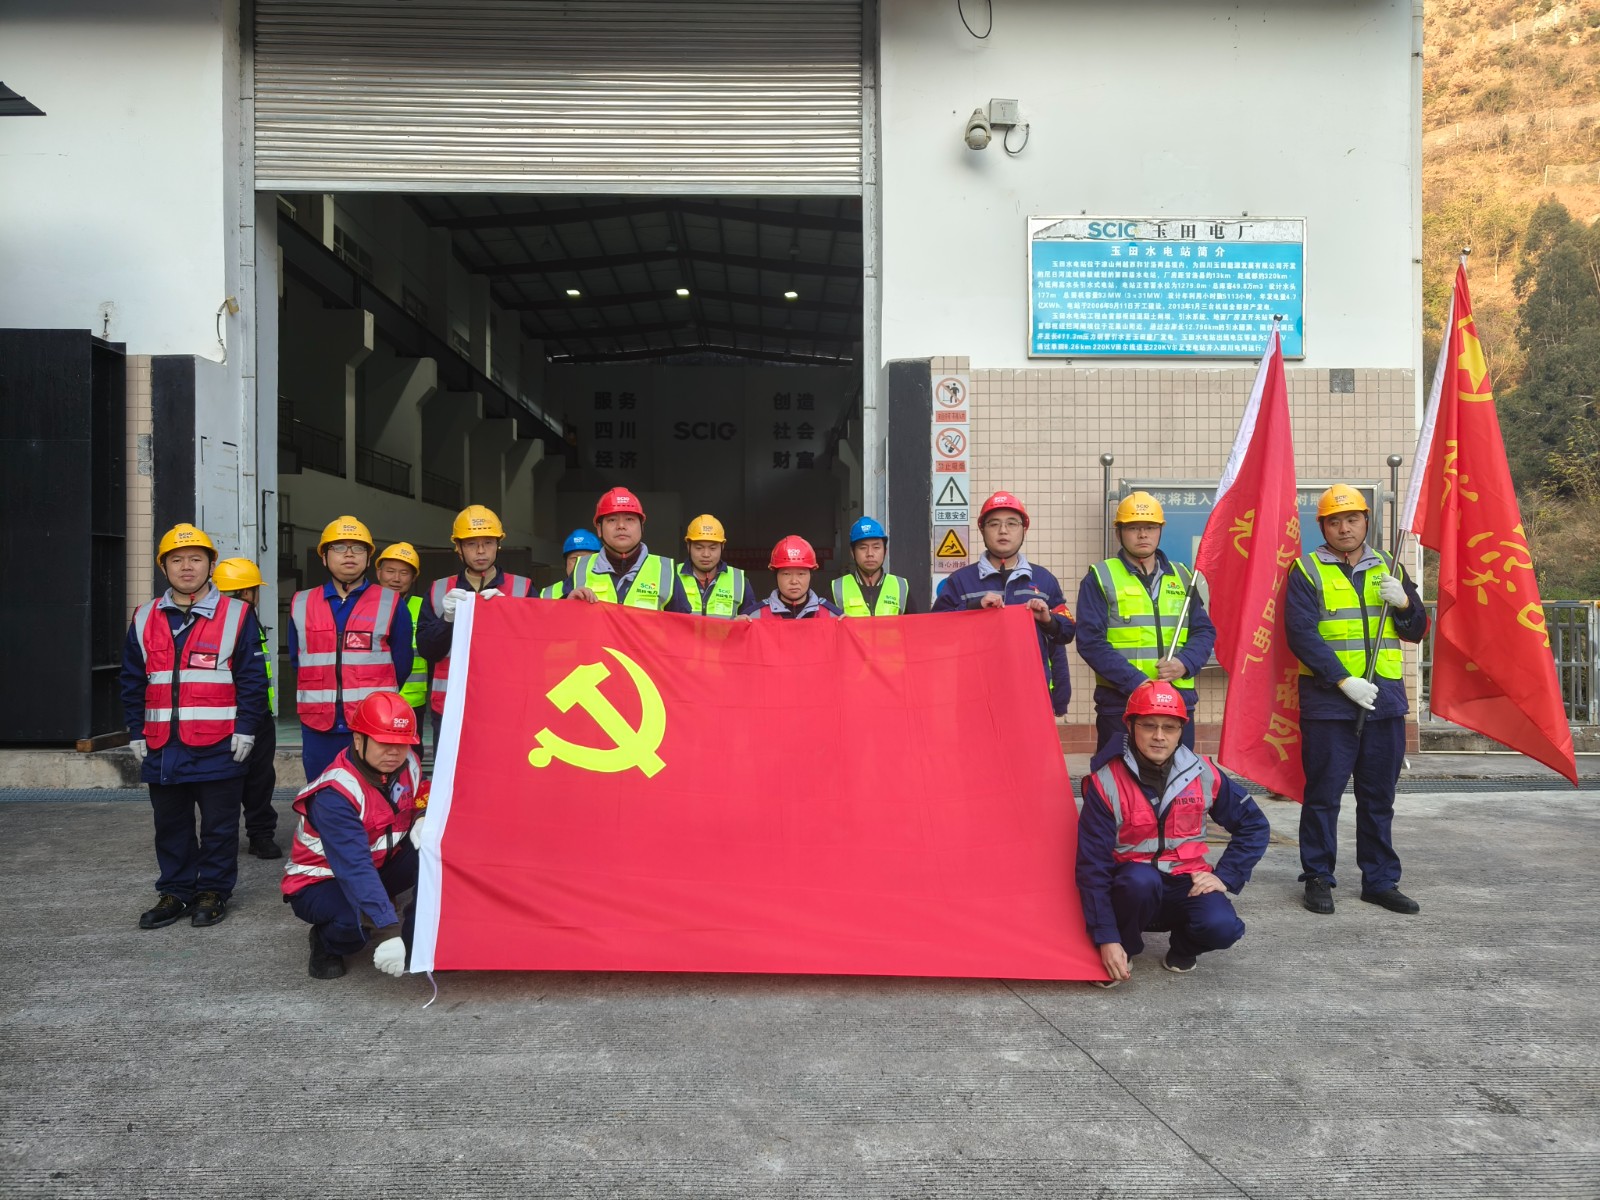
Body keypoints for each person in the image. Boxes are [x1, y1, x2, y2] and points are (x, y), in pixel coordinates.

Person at [1286, 484, 1428, 917]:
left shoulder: (1389, 565)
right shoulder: (1306, 570)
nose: (1344, 528)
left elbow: (1416, 630)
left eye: (1352, 519)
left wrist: (1405, 602)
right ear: (1323, 526)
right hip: (1330, 703)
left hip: (1384, 701)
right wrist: (1343, 680)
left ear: (1366, 521)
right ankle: (1318, 876)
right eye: (1335, 521)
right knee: (1323, 795)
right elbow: (1301, 634)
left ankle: (1380, 881)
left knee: (1378, 797)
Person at [122, 524, 269, 930]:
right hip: (163, 745)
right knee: (170, 825)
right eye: (177, 560)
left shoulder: (237, 614)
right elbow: (132, 679)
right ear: (163, 567)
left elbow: (253, 680)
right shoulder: (144, 616)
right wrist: (135, 729)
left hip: (219, 744)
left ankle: (213, 891)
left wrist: (247, 728)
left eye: (195, 559)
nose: (186, 567)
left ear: (210, 565)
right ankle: (176, 891)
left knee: (219, 827)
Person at [1076, 681, 1270, 987]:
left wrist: (1226, 876)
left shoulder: (1203, 773)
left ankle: (1183, 947)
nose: (1159, 736)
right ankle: (1124, 947)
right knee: (1140, 881)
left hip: (1186, 881)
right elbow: (1092, 866)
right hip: (1132, 886)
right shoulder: (1106, 781)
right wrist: (1106, 937)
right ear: (1130, 726)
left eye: (1169, 727)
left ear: (1181, 730)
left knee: (1223, 927)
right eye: (1148, 725)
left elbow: (1254, 825)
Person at [280, 691, 424, 981]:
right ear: (358, 740)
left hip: (380, 864)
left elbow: (422, 793)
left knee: (436, 850)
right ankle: (325, 941)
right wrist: (388, 931)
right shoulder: (336, 794)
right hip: (322, 880)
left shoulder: (408, 764)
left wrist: (422, 816)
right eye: (384, 743)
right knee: (354, 926)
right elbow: (354, 867)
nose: (394, 752)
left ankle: (416, 937)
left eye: (402, 743)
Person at [1075, 491, 1217, 752]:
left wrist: (1184, 663)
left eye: (1150, 527)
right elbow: (1090, 642)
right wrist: (1136, 681)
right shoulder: (1101, 577)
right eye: (1133, 528)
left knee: (1179, 773)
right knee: (1119, 774)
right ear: (1119, 533)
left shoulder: (1183, 576)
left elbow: (1203, 630)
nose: (1143, 535)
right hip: (1122, 702)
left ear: (1160, 530)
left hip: (1176, 701)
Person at [288, 516, 412, 780]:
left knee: (373, 793)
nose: (349, 554)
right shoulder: (301, 602)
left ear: (368, 558)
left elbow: (401, 664)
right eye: (339, 547)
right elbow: (298, 661)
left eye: (358, 548)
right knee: (321, 792)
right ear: (324, 557)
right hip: (319, 726)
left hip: (373, 725)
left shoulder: (390, 602)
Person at [931, 491, 1076, 707]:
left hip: (1030, 696)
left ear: (1024, 529)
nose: (1003, 530)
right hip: (975, 697)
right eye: (994, 524)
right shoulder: (961, 580)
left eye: (1012, 523)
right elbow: (936, 632)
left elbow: (1067, 632)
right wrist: (972, 607)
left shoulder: (1044, 580)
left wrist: (1048, 621)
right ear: (982, 529)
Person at [416, 505, 534, 741]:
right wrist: (446, 620)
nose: (481, 551)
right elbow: (428, 650)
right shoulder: (439, 590)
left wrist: (510, 615)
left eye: (488, 542)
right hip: (451, 706)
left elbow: (536, 649)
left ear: (498, 545)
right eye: (471, 544)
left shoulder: (523, 588)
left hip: (505, 705)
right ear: (458, 548)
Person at [211, 556, 282, 859]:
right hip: (230, 715)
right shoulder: (227, 622)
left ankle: (259, 834)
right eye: (254, 590)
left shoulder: (247, 619)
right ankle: (246, 837)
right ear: (245, 592)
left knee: (260, 779)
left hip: (257, 714)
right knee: (234, 781)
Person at [566, 487, 691, 611]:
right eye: (612, 520)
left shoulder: (665, 571)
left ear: (642, 526)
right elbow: (562, 619)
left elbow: (682, 622)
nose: (621, 526)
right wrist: (567, 605)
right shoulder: (580, 569)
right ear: (599, 529)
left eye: (629, 519)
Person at [374, 542, 427, 737]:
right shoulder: (364, 606)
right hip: (373, 699)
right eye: (390, 571)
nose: (396, 578)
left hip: (412, 702)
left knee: (412, 750)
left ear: (413, 577)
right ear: (379, 573)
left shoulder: (424, 607)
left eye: (404, 573)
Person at [831, 516, 917, 617]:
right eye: (863, 548)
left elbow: (914, 625)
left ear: (885, 551)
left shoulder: (901, 586)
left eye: (876, 547)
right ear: (852, 552)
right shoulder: (836, 588)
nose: (870, 554)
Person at [678, 513, 758, 618]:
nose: (706, 554)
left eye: (712, 548)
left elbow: (752, 621)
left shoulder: (739, 580)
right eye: (699, 548)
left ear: (722, 547)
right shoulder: (673, 576)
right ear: (688, 546)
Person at [753, 536, 844, 619]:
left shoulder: (832, 615)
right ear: (775, 575)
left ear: (811, 575)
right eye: (786, 574)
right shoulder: (754, 616)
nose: (794, 581)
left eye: (801, 574)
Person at [541, 529, 602, 599]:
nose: (580, 563)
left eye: (586, 559)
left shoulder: (610, 586)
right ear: (566, 563)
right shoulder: (547, 594)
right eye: (575, 558)